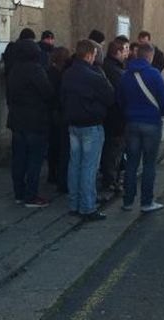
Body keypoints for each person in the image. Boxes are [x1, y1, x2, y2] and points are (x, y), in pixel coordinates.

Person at [61, 39, 115, 221]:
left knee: (74, 165)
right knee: (89, 167)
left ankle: (74, 204)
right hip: (91, 125)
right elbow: (110, 97)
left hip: (73, 124)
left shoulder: (68, 73)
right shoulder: (94, 75)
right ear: (90, 54)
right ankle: (87, 207)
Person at [118, 43, 164, 213]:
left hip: (131, 122)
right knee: (149, 164)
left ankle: (127, 201)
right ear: (150, 56)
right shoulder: (154, 74)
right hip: (151, 124)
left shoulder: (125, 75)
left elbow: (120, 99)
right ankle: (146, 202)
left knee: (131, 163)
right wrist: (160, 113)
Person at [7, 35, 53, 208]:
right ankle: (31, 195)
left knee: (19, 159)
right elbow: (47, 92)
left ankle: (19, 192)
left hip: (17, 120)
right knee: (34, 160)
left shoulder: (14, 69)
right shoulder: (36, 69)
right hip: (35, 121)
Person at [101, 41, 128, 194]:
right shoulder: (115, 71)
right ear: (117, 52)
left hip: (109, 116)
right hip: (116, 117)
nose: (127, 53)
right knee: (114, 150)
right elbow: (120, 95)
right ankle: (110, 180)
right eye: (125, 50)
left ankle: (110, 178)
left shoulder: (108, 67)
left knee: (111, 149)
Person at [47, 46, 71, 192]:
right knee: (60, 146)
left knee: (53, 146)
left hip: (51, 113)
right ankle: (57, 174)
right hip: (59, 114)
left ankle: (52, 173)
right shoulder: (60, 74)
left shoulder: (49, 72)